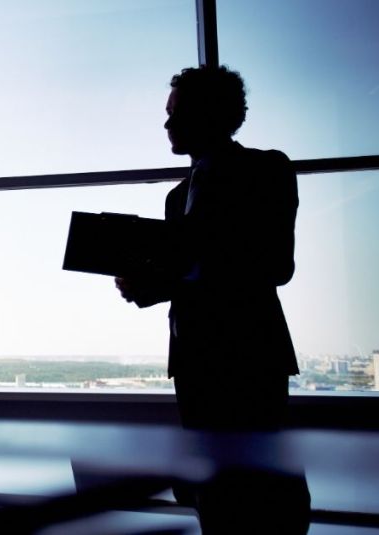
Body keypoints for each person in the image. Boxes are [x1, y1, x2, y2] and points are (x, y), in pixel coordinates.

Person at [115, 65, 300, 432]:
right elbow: (190, 268)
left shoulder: (266, 169)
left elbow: (277, 266)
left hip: (250, 354)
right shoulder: (177, 196)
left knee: (254, 464)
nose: (167, 124)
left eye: (177, 113)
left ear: (211, 114)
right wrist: (147, 287)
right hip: (192, 359)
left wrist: (163, 284)